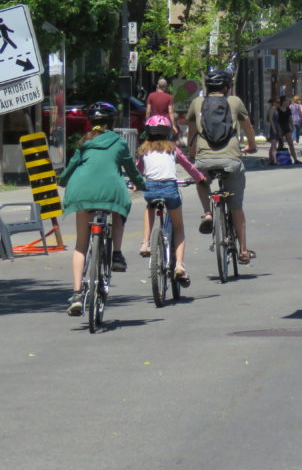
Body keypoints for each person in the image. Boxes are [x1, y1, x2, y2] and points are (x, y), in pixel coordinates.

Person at [60, 102, 148, 316]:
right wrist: (142, 185)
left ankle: (77, 294)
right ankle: (116, 254)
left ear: (91, 123)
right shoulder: (119, 142)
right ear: (112, 122)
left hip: (82, 191)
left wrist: (62, 181)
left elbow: (70, 168)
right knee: (117, 211)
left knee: (81, 246)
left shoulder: (84, 143)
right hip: (111, 191)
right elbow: (131, 170)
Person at [187, 70, 258, 263]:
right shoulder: (235, 102)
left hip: (204, 159)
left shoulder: (197, 103)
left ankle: (208, 213)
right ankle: (243, 250)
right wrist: (252, 145)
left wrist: (192, 154)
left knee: (201, 180)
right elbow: (248, 127)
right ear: (226, 88)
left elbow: (192, 133)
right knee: (236, 207)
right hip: (231, 160)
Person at [136, 115, 206, 287]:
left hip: (151, 188)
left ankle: (145, 243)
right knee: (178, 227)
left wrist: (135, 183)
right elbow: (188, 166)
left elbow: (138, 169)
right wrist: (200, 178)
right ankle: (180, 265)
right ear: (167, 132)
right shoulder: (173, 149)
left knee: (149, 206)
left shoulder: (144, 150)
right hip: (170, 189)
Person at [276, 97, 299, 164]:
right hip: (280, 127)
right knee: (281, 144)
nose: (288, 102)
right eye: (286, 101)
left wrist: (292, 126)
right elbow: (276, 120)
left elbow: (290, 119)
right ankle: (278, 159)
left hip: (286, 127)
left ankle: (295, 159)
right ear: (283, 102)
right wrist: (278, 129)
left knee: (291, 144)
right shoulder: (278, 110)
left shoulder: (288, 109)